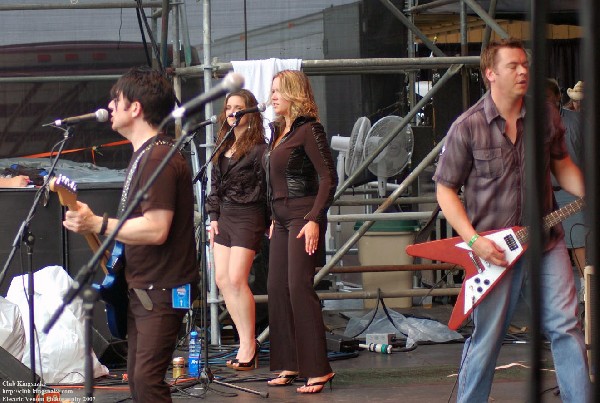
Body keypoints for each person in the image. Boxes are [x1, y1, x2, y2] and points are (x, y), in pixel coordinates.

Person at [434, 38, 590, 402]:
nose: (523, 71)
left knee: (566, 326)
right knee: (487, 337)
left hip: (546, 241)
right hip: (492, 250)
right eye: (513, 66)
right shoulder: (467, 126)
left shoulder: (546, 115)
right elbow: (445, 191)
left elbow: (561, 163)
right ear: (490, 74)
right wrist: (474, 241)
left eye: (525, 64)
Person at [62, 67, 198, 402]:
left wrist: (97, 224)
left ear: (135, 108)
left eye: (116, 100)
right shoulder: (144, 155)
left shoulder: (158, 156)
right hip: (146, 287)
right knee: (139, 381)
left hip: (162, 288)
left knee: (147, 381)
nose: (109, 106)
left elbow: (156, 228)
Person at [264, 70, 337, 394]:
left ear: (295, 93)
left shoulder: (310, 130)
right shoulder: (278, 132)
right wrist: (271, 216)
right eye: (272, 90)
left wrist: (313, 218)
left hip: (301, 215)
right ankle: (290, 362)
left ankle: (318, 369)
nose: (273, 96)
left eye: (279, 90)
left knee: (298, 286)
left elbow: (328, 178)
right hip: (280, 218)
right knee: (276, 287)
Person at [206, 89, 267, 371]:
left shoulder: (259, 149)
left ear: (250, 113)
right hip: (225, 217)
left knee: (237, 278)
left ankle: (249, 346)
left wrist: (271, 220)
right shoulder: (222, 144)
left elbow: (269, 188)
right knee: (221, 279)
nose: (232, 112)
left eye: (238, 108)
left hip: (249, 215)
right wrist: (213, 216)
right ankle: (244, 342)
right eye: (229, 107)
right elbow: (214, 184)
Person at [546, 79, 587, 292]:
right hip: (541, 195)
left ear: (558, 100)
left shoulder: (577, 122)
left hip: (572, 193)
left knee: (578, 243)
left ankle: (586, 292)